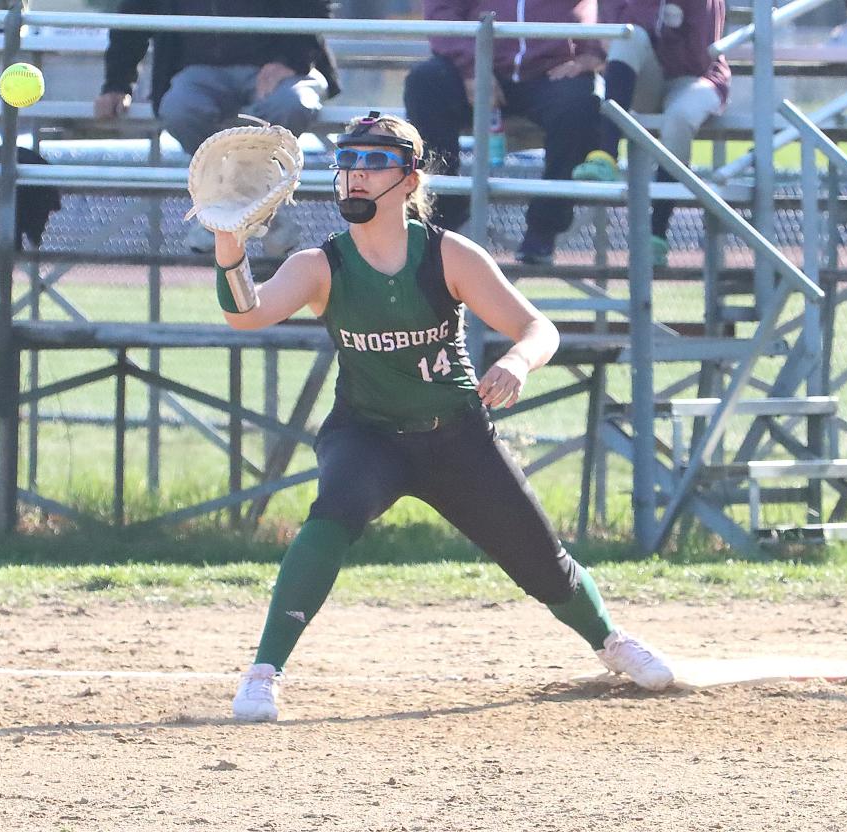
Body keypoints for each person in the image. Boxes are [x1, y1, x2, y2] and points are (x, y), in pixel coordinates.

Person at [213, 113, 674, 722]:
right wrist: (229, 243)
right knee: (333, 514)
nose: (354, 176)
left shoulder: (448, 255)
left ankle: (610, 642)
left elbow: (539, 328)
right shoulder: (321, 265)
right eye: (348, 162)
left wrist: (516, 361)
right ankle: (264, 672)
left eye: (374, 163)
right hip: (368, 435)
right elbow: (246, 314)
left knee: (541, 560)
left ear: (409, 179)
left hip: (455, 435)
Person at [95, 0, 340, 258]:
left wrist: (291, 61)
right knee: (179, 108)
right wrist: (116, 84)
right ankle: (264, 216)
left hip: (284, 71)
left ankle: (223, 216)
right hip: (199, 73)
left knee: (291, 104)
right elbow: (134, 15)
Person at [404, 0, 605, 266]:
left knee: (581, 102)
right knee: (425, 83)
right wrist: (473, 67)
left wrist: (595, 50)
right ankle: (441, 214)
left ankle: (545, 226)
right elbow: (442, 10)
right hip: (475, 69)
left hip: (552, 71)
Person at [572, 0, 729, 268]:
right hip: (646, 79)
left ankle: (657, 233)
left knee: (678, 119)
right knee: (629, 36)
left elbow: (696, 57)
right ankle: (605, 156)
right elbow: (612, 41)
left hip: (695, 79)